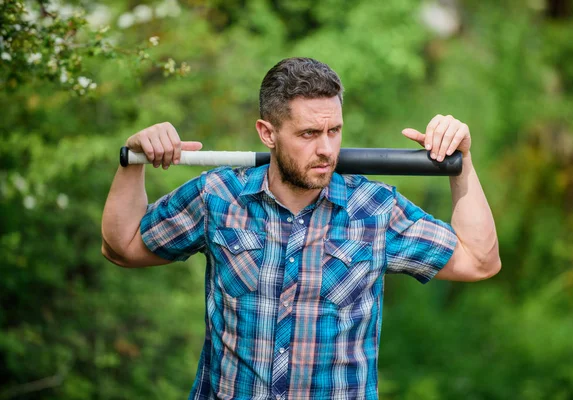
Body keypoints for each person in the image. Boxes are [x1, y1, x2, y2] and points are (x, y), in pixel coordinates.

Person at [101, 57, 500, 400]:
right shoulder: (219, 196)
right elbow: (122, 247)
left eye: (334, 131)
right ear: (267, 133)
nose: (326, 149)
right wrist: (133, 162)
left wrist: (461, 163)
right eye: (309, 134)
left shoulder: (374, 210)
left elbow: (479, 261)